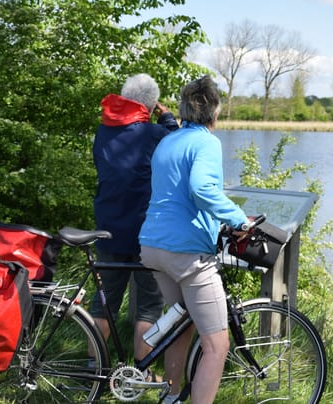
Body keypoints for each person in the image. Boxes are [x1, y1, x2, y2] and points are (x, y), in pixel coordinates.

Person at [138, 75, 249, 404]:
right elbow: (202, 190)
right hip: (185, 253)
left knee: (179, 327)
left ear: (184, 110)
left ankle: (171, 397)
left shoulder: (169, 141)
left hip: (153, 246)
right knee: (217, 346)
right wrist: (238, 219)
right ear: (214, 114)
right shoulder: (206, 143)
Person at [91, 73, 179, 374]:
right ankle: (141, 372)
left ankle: (95, 369)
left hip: (108, 227)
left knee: (104, 302)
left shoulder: (102, 133)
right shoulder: (153, 134)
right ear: (151, 105)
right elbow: (176, 144)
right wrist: (166, 118)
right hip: (145, 232)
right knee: (149, 306)